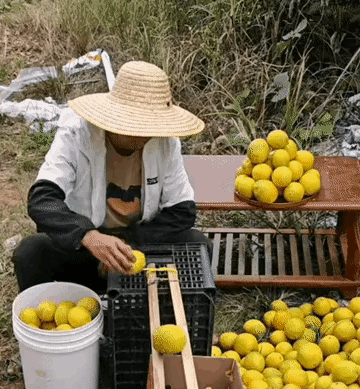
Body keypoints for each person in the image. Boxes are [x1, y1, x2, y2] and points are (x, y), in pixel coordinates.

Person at [12, 60, 211, 293]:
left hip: (138, 249)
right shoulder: (77, 133)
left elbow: (183, 210)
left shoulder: (165, 143)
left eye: (150, 129)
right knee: (30, 252)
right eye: (134, 128)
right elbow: (42, 200)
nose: (143, 137)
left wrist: (129, 241)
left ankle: (155, 301)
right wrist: (88, 237)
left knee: (198, 244)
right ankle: (67, 305)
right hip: (87, 247)